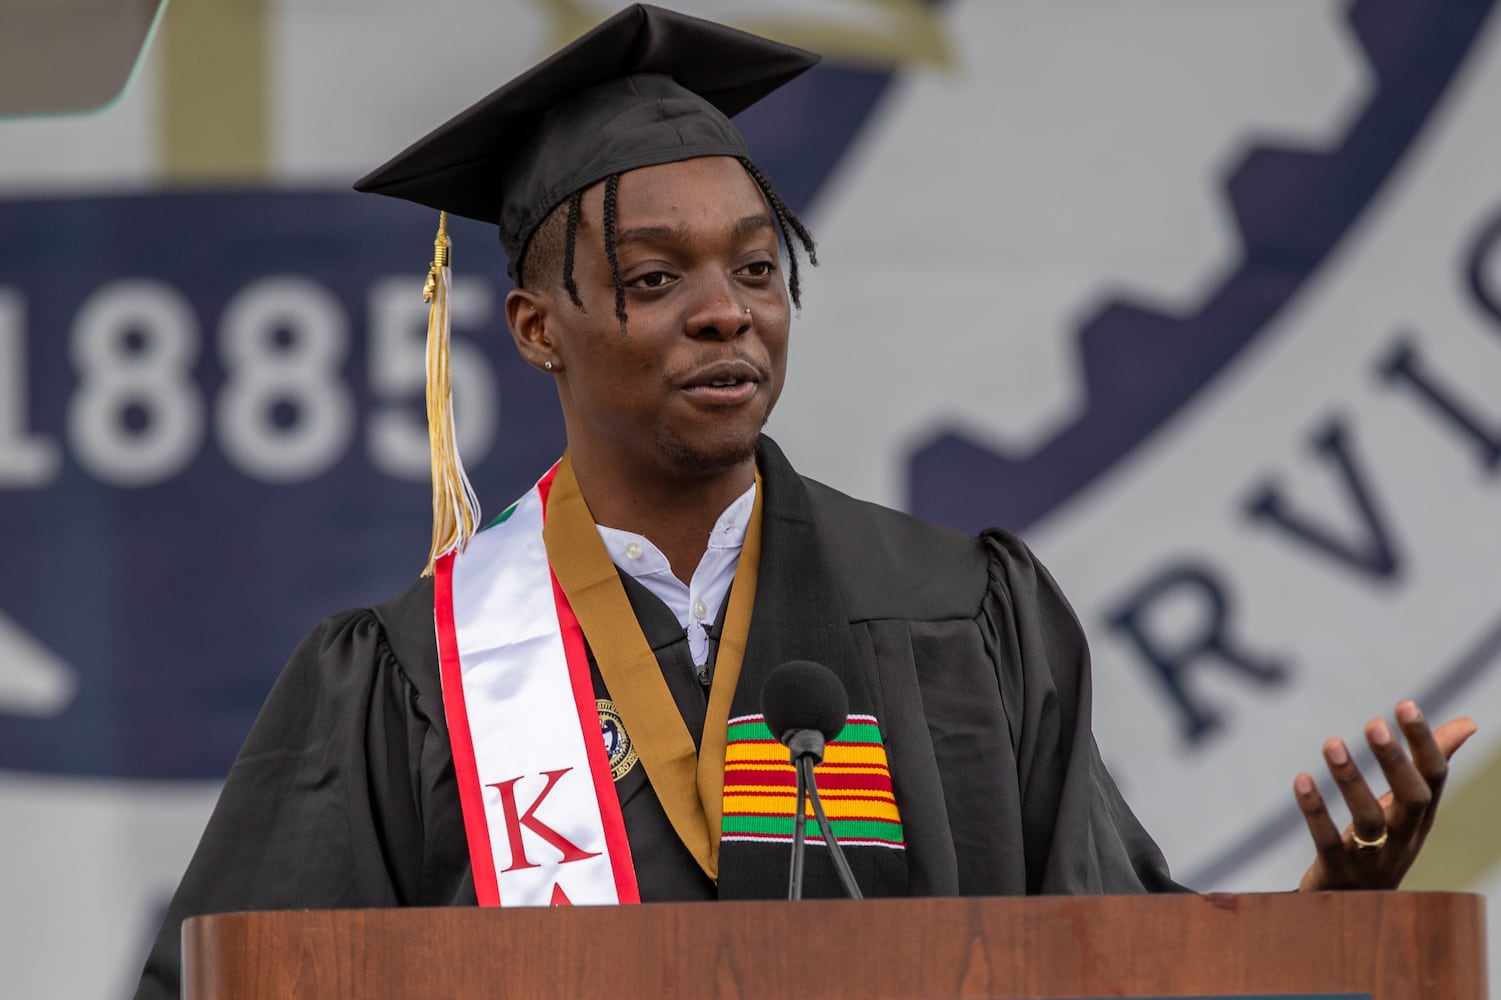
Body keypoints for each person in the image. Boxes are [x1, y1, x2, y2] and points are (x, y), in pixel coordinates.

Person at [133, 5, 1475, 997]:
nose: (726, 310)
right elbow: (243, 978)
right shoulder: (412, 673)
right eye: (654, 279)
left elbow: (1111, 957)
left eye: (759, 269)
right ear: (537, 328)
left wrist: (1327, 910)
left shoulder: (961, 613)